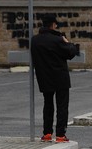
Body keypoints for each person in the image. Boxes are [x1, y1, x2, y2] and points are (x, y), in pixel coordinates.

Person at [31, 13, 79, 142]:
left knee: (48, 105)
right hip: (60, 77)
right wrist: (68, 43)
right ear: (53, 24)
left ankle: (47, 133)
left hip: (44, 77)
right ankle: (60, 134)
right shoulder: (58, 40)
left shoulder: (35, 40)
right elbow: (71, 53)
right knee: (62, 106)